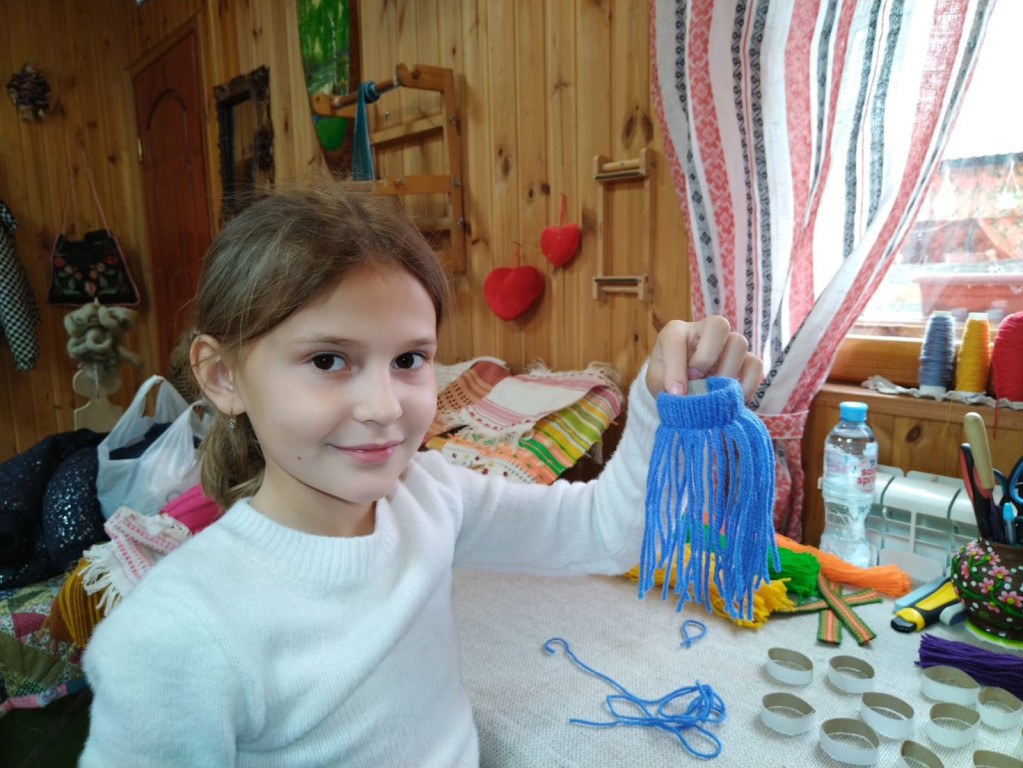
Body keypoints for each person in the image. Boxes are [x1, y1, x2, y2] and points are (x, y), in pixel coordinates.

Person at [79, 182, 763, 767]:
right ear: (223, 376)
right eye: (328, 360)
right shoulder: (173, 636)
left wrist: (660, 401)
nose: (385, 408)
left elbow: (604, 533)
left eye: (409, 360)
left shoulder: (431, 495)